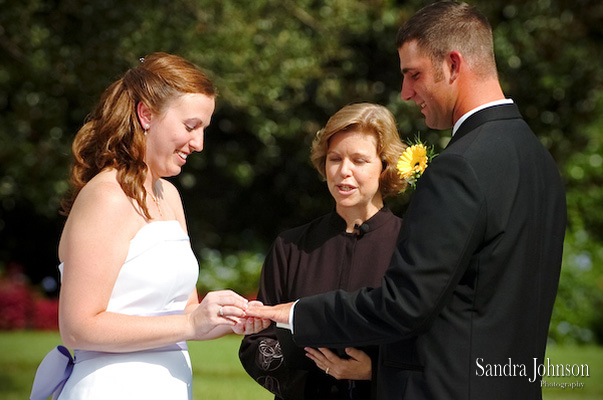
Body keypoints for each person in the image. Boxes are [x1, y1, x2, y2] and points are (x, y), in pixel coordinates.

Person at [246, 2, 567, 399]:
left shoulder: (460, 167)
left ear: (453, 64)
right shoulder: (541, 162)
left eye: (414, 74)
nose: (406, 92)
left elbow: (405, 304)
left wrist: (295, 312)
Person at [30, 52, 268, 400]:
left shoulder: (168, 195)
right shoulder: (107, 197)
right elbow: (78, 328)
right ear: (146, 114)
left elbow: (183, 311)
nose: (199, 144)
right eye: (190, 126)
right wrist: (190, 324)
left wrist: (226, 317)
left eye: (203, 129)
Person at [239, 103, 417, 399]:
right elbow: (257, 344)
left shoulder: (413, 245)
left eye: (359, 161)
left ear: (385, 166)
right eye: (335, 159)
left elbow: (437, 346)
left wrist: (375, 372)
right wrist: (319, 369)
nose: (343, 171)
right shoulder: (290, 246)